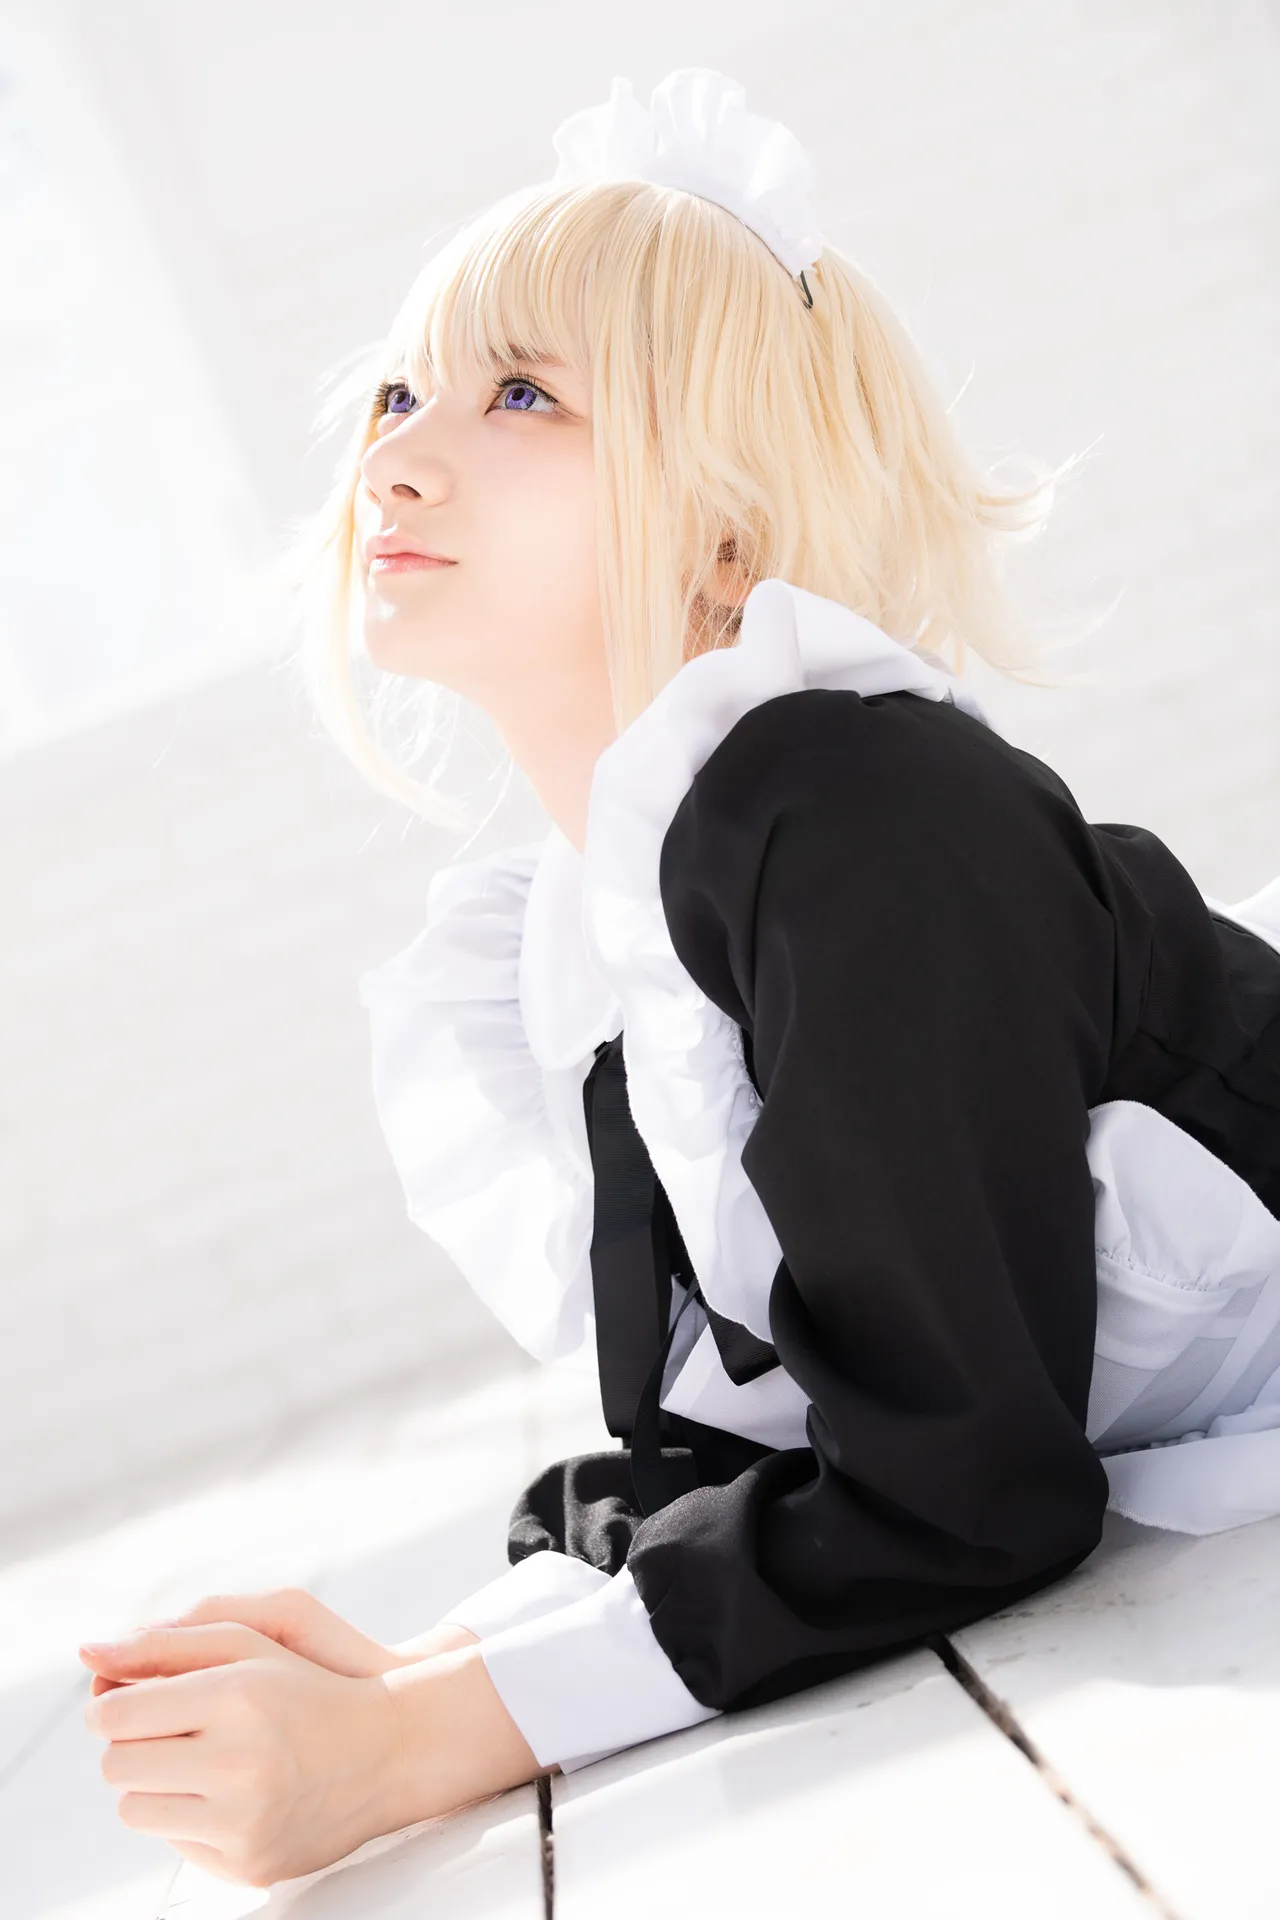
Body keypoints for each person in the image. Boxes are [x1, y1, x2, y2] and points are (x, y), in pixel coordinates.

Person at [78, 69, 1280, 1887]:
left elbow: (966, 1488)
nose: (395, 457)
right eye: (399, 393)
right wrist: (414, 1668)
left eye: (523, 395)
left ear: (725, 530)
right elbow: (747, 1442)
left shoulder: (864, 822)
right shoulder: (588, 942)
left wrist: (411, 1746)